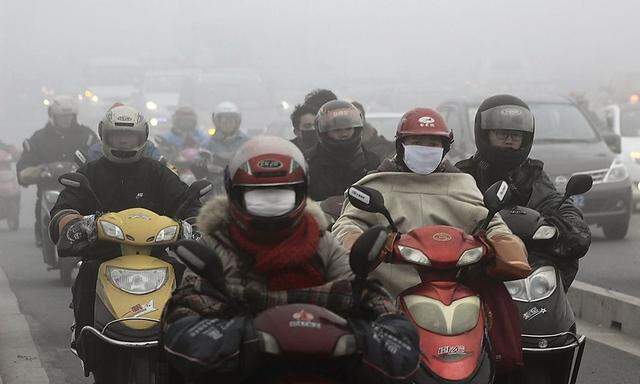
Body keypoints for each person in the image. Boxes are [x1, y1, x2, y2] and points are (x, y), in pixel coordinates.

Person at [161, 136, 420, 384]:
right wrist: (253, 336)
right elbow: (183, 324)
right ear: (236, 196)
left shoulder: (323, 243)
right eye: (260, 199)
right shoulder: (215, 246)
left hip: (325, 371)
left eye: (281, 198)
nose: (272, 209)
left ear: (300, 194)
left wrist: (355, 338)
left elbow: (383, 315)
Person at [332, 107, 531, 376]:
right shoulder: (377, 184)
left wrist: (503, 243)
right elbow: (348, 224)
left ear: (444, 147)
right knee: (350, 353)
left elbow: (489, 222)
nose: (425, 149)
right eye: (416, 142)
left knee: (505, 343)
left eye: (433, 143)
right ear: (401, 145)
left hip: (455, 292)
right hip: (388, 295)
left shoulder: (462, 185)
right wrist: (361, 243)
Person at [48, 105, 202, 381]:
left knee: (189, 276)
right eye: (117, 135)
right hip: (104, 256)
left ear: (142, 137)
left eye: (129, 137)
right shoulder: (89, 173)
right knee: (85, 274)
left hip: (158, 257)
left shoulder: (158, 172)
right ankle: (86, 339)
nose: (123, 142)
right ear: (104, 136)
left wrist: (197, 224)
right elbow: (64, 208)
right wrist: (71, 224)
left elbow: (189, 204)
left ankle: (188, 346)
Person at [456, 94, 591, 288]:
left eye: (516, 135)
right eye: (502, 134)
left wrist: (570, 227)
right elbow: (446, 210)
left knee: (560, 315)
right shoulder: (465, 174)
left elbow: (555, 202)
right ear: (485, 134)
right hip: (477, 269)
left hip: (529, 272)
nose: (510, 140)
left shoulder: (533, 174)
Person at [17, 95, 98, 246]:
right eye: (62, 117)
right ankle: (44, 235)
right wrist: (41, 170)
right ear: (53, 116)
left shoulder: (88, 136)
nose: (67, 120)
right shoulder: (38, 138)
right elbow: (23, 169)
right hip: (49, 189)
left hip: (80, 190)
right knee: (43, 209)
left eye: (70, 116)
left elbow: (99, 157)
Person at [306, 100, 380, 201]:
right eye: (337, 130)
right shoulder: (309, 162)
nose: (344, 134)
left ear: (356, 129)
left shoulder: (370, 160)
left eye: (348, 129)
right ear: (324, 132)